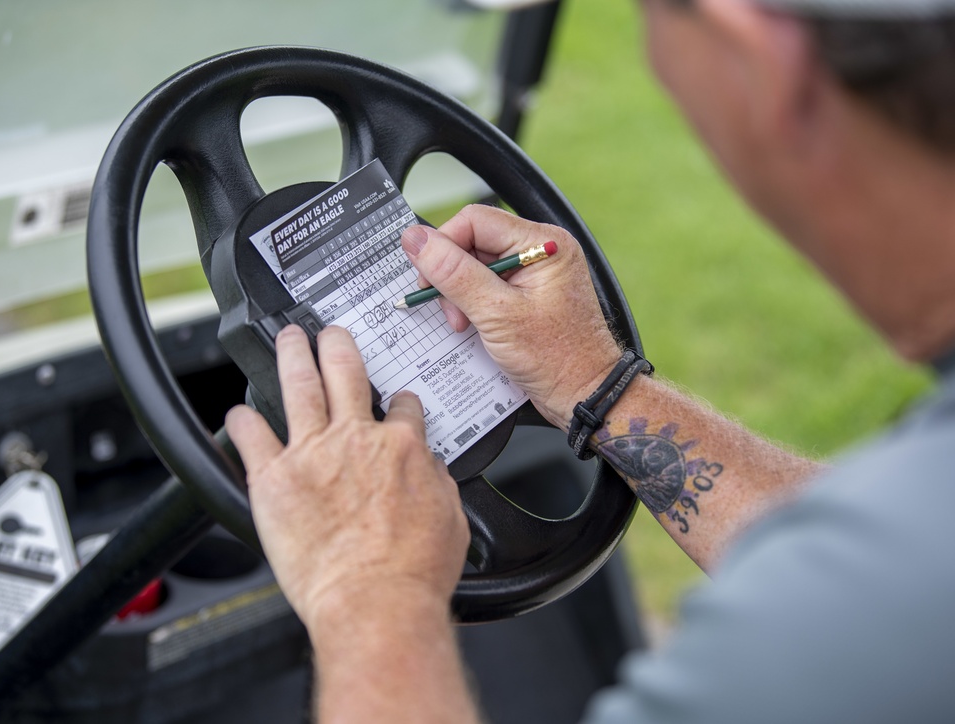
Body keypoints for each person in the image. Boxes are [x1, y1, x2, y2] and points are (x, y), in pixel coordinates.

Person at [226, 0, 955, 720]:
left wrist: (366, 585)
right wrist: (595, 382)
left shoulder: (829, 645)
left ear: (756, 55)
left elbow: (862, 596)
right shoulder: (903, 560)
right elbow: (854, 573)